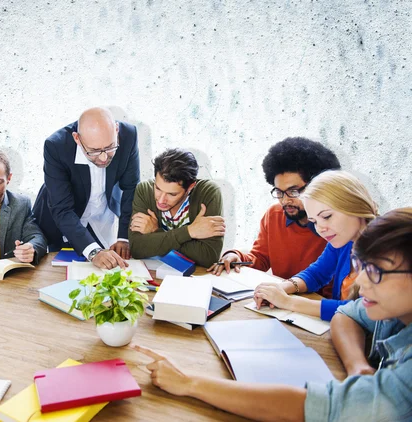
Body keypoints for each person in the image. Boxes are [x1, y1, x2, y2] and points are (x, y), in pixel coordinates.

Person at [133, 207, 412, 421]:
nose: (361, 282)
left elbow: (315, 409)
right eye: (359, 266)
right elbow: (348, 314)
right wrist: (357, 367)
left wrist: (188, 382)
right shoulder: (389, 306)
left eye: (376, 272)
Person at [253, 170, 378, 321]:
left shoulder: (387, 252)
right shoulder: (345, 240)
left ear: (354, 206)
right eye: (314, 221)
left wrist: (288, 302)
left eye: (326, 216)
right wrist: (282, 288)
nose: (320, 229)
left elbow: (363, 311)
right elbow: (317, 273)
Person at [209, 137, 340, 279]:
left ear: (318, 186)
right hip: (282, 296)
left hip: (317, 300)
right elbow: (261, 258)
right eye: (279, 192)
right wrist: (235, 256)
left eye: (293, 191)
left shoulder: (335, 224)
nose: (284, 200)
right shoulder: (274, 215)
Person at [32, 107, 140, 270]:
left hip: (101, 217)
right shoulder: (56, 146)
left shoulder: (129, 135)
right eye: (94, 151)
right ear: (77, 138)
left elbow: (130, 189)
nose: (104, 158)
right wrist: (93, 252)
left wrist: (124, 237)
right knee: (61, 277)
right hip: (62, 221)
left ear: (116, 130)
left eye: (110, 147)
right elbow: (62, 209)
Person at [128, 148, 225, 267]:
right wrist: (190, 232)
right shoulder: (144, 190)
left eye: (172, 194)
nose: (161, 200)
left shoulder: (208, 193)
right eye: (158, 188)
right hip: (155, 272)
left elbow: (208, 257)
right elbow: (137, 249)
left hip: (195, 278)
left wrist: (156, 232)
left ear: (190, 187)